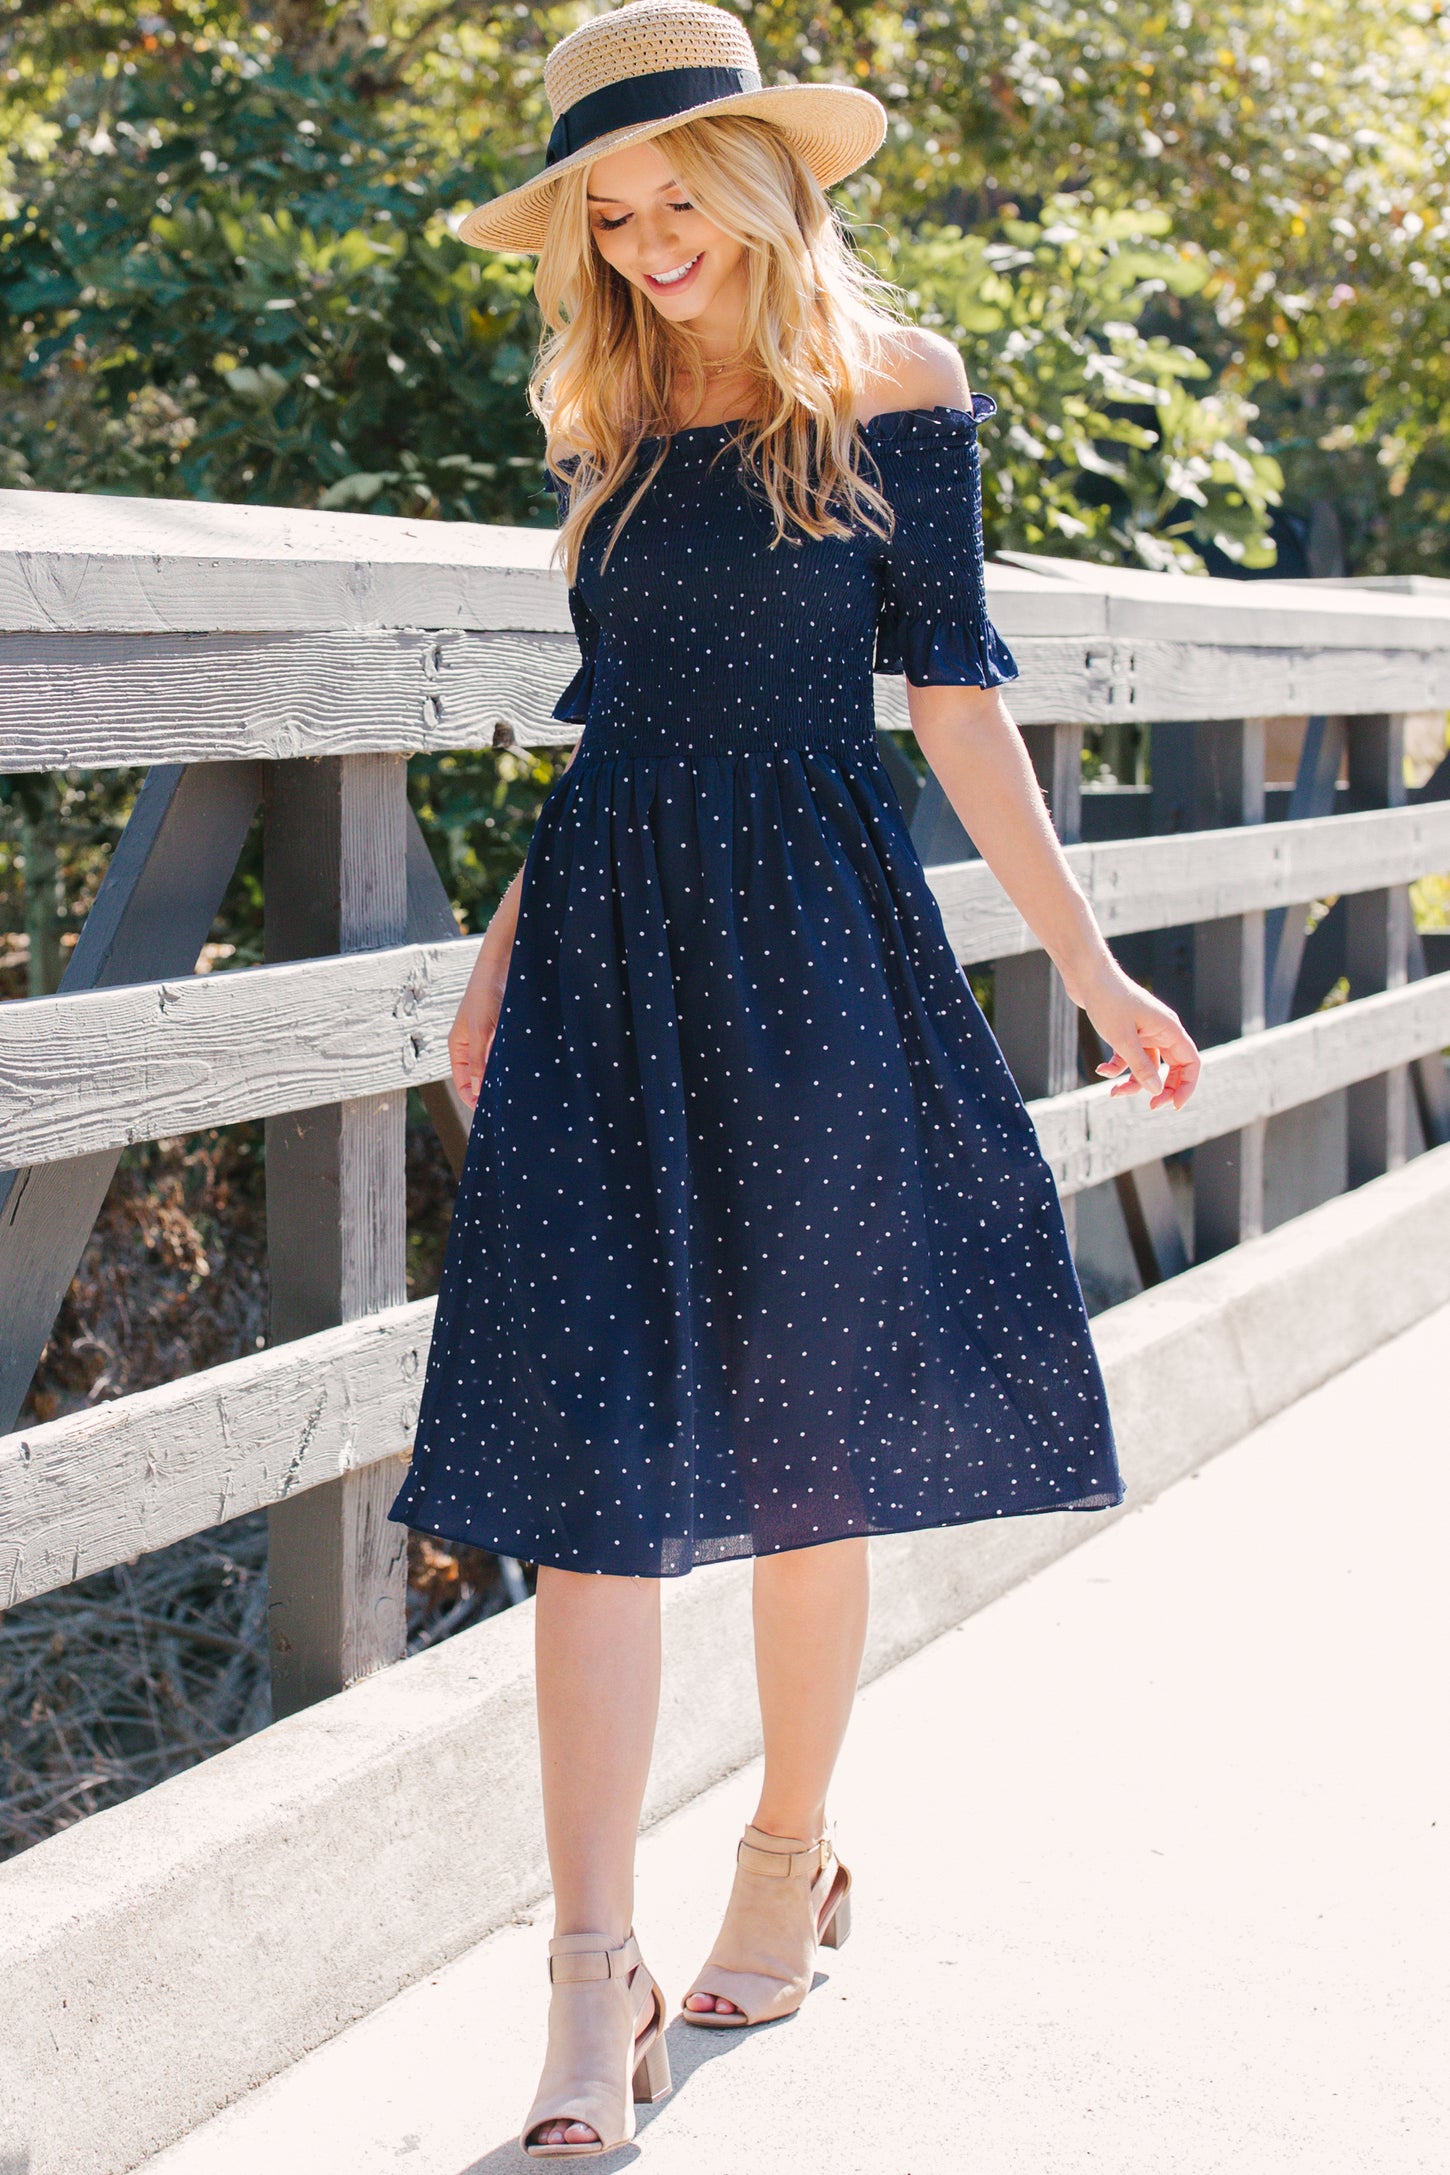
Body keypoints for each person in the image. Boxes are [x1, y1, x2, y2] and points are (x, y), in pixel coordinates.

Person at [388, 1, 1201, 2157]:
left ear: (761, 182)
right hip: (606, 947)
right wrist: (498, 953)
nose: (648, 244)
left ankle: (786, 1849)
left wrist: (1090, 966)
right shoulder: (608, 409)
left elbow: (954, 705)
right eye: (608, 215)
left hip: (813, 948)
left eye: (676, 200)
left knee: (801, 1437)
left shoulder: (894, 389)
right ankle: (588, 1976)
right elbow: (615, 721)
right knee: (590, 1474)